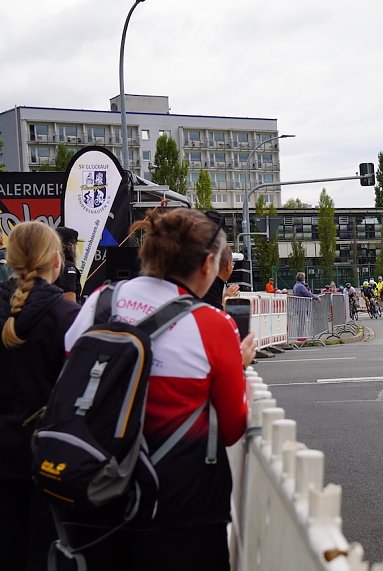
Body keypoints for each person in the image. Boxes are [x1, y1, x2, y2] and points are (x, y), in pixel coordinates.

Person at [60, 207, 255, 571]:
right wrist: (237, 367)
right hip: (178, 507)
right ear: (207, 264)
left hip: (90, 489)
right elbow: (232, 428)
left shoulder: (101, 301)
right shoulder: (213, 325)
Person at [0, 221, 81, 571]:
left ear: (9, 260)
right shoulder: (67, 316)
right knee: (46, 550)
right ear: (56, 261)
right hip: (48, 455)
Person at [202, 244, 240, 310]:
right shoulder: (212, 288)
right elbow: (214, 315)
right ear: (228, 265)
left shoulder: (204, 284)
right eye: (232, 264)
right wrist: (225, 300)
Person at [55, 226, 82, 302]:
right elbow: (70, 299)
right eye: (75, 244)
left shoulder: (49, 264)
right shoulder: (68, 267)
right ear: (70, 245)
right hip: (67, 312)